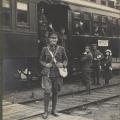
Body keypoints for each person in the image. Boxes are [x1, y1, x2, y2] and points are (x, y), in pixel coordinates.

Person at [40, 32, 68, 119]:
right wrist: (45, 64)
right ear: (49, 39)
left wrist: (63, 65)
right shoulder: (45, 49)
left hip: (57, 74)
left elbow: (66, 59)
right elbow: (41, 60)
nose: (54, 39)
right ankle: (45, 112)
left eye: (55, 38)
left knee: (55, 92)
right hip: (47, 73)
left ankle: (54, 110)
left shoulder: (61, 49)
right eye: (52, 38)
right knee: (47, 91)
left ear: (57, 39)